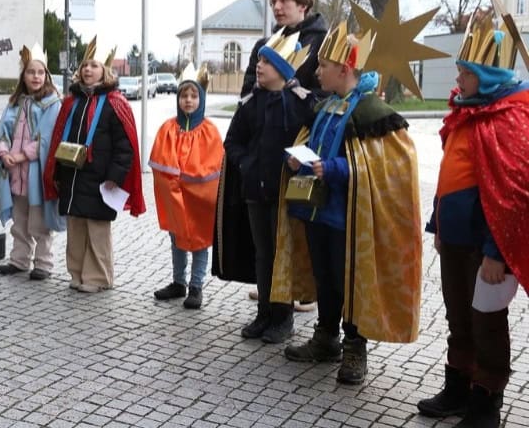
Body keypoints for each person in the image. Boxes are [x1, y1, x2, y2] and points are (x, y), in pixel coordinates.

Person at [271, 22, 423, 386]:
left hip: (350, 217)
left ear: (344, 69)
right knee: (326, 278)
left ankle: (355, 347)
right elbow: (318, 147)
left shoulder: (372, 112)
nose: (318, 71)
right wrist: (299, 160)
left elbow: (384, 167)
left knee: (350, 279)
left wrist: (335, 168)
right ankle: (326, 337)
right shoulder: (327, 106)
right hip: (317, 211)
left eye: (323, 65)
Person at [417, 14, 529, 428]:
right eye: (459, 71)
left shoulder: (511, 118)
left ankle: (486, 401)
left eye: (465, 72)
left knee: (486, 323)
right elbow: (452, 173)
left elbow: (516, 194)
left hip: (490, 247)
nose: (458, 79)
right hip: (456, 238)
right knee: (458, 317)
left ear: (487, 74)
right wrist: (439, 225)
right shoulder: (466, 113)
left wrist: (497, 252)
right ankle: (458, 387)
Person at [223, 32, 316, 343]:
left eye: (265, 61)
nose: (258, 66)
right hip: (255, 192)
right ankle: (264, 312)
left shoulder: (301, 103)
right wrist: (246, 165)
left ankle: (282, 316)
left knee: (282, 254)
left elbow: (313, 142)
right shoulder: (251, 103)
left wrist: (298, 164)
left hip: (286, 195)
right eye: (259, 60)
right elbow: (232, 142)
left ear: (283, 70)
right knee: (263, 254)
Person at [43, 38, 144, 293]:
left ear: (105, 71)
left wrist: (115, 176)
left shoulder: (115, 103)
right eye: (85, 65)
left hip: (100, 180)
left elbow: (125, 147)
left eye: (94, 66)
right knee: (75, 229)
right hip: (73, 177)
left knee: (97, 230)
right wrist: (57, 171)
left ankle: (98, 277)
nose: (88, 70)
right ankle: (77, 273)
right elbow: (59, 137)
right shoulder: (71, 101)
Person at [149, 63, 222, 309]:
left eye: (193, 96)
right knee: (176, 237)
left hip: (199, 200)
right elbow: (161, 162)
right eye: (184, 95)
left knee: (200, 241)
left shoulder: (210, 131)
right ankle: (178, 282)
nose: (188, 101)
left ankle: (196, 286)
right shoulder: (168, 129)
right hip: (175, 197)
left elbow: (212, 166)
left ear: (201, 98)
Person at [0, 44, 65, 280]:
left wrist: (22, 155)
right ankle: (19, 259)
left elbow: (47, 138)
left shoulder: (52, 103)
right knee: (20, 219)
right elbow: (3, 133)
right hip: (15, 171)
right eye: (31, 72)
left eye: (40, 72)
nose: (36, 77)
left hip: (35, 170)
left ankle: (43, 263)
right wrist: (4, 153)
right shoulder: (15, 102)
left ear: (46, 76)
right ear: (23, 76)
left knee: (40, 220)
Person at [240, 0, 328, 96]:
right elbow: (246, 95)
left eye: (283, 0)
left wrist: (297, 95)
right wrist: (258, 90)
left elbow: (328, 94)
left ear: (303, 5)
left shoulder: (323, 43)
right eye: (273, 1)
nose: (276, 7)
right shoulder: (263, 46)